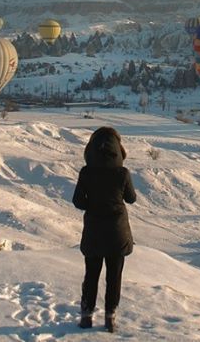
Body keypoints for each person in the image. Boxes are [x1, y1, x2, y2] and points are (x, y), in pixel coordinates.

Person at [72, 126, 137, 333]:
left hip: (94, 231)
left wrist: (93, 203)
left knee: (91, 274)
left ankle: (86, 315)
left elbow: (78, 201)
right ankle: (110, 318)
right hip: (117, 233)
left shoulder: (86, 172)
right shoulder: (122, 173)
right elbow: (131, 198)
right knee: (114, 276)